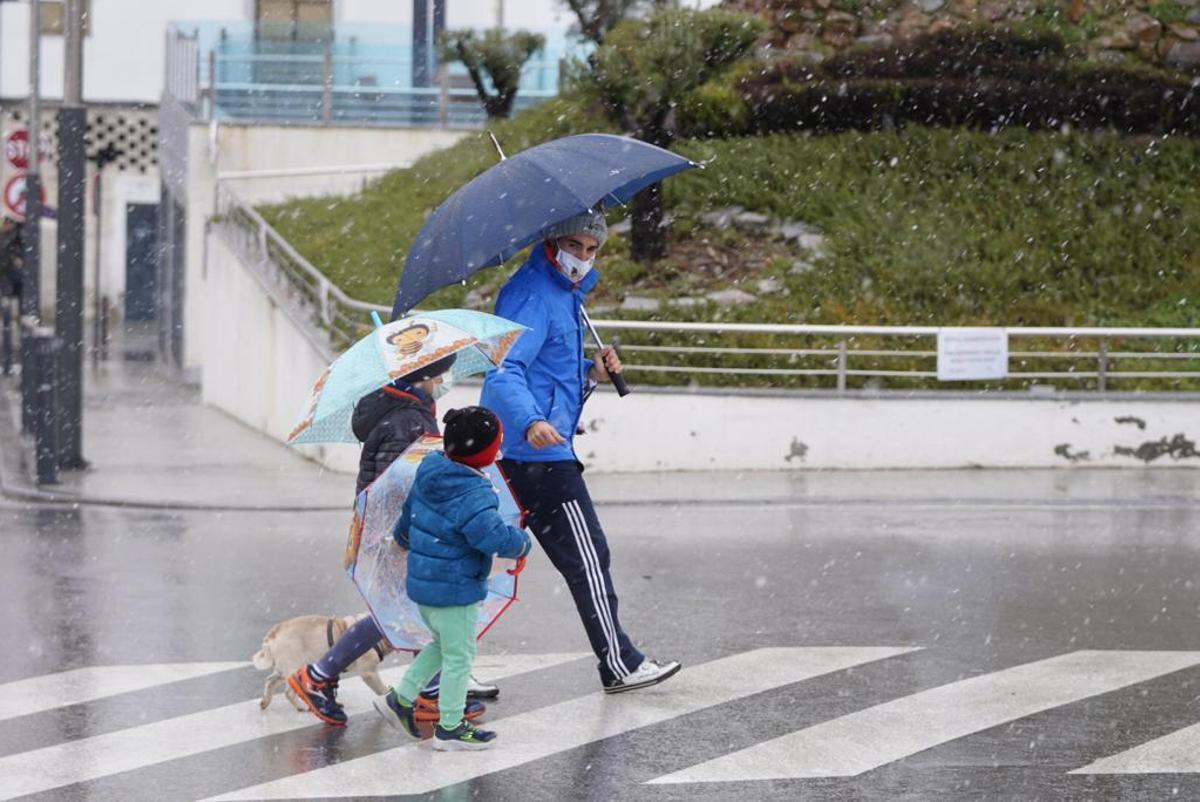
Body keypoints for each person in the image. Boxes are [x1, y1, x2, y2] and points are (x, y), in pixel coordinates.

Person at [480, 209, 681, 694]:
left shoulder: (562, 295)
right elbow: (504, 372)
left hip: (525, 451)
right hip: (536, 457)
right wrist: (531, 422)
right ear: (551, 243)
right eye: (574, 246)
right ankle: (619, 662)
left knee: (471, 565)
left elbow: (549, 381)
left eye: (592, 250)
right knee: (588, 558)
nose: (583, 258)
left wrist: (590, 375)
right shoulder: (533, 294)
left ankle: (439, 674)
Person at [288, 353, 497, 726]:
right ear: (427, 377)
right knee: (414, 608)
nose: (445, 380)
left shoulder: (406, 408)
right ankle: (327, 676)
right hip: (396, 530)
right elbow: (399, 482)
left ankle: (324, 675)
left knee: (402, 609)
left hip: (393, 527)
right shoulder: (407, 419)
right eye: (442, 374)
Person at [374, 406, 531, 750]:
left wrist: (402, 540)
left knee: (442, 646)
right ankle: (450, 726)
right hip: (455, 588)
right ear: (485, 453)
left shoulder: (432, 468)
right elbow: (489, 537)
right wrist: (521, 543)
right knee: (460, 656)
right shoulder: (474, 493)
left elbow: (408, 515)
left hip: (425, 583)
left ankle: (400, 699)